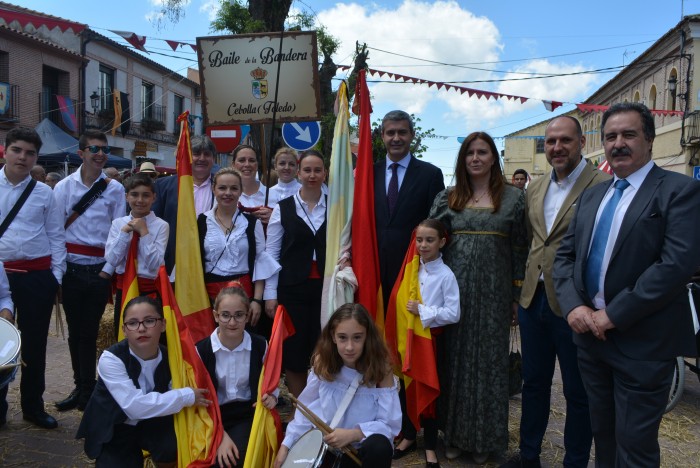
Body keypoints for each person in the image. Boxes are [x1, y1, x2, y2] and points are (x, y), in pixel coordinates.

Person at [553, 102, 700, 467]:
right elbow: (565, 258)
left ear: (649, 140)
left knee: (634, 447)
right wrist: (574, 307)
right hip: (591, 342)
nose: (618, 143)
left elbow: (675, 265)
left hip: (644, 345)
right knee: (603, 438)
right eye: (610, 136)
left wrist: (613, 315)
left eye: (628, 134)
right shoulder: (593, 195)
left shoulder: (679, 191)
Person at [502, 116, 608, 468]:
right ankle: (529, 455)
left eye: (565, 140)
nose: (557, 148)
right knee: (534, 383)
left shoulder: (603, 184)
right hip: (534, 300)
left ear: (581, 142)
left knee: (578, 392)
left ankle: (575, 462)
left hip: (576, 303)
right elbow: (534, 240)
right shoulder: (536, 186)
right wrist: (518, 294)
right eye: (550, 142)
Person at [430, 131, 527, 464]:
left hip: (494, 296)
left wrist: (516, 293)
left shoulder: (514, 199)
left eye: (482, 152)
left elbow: (520, 248)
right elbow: (430, 242)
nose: (475, 158)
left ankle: (486, 440)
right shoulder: (448, 198)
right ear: (462, 159)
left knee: (489, 366)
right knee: (454, 364)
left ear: (492, 158)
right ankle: (454, 436)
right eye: (469, 152)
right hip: (452, 295)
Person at [77, 296, 211, 467]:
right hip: (116, 428)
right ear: (124, 329)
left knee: (172, 444)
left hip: (155, 421)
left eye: (149, 321)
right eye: (132, 323)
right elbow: (134, 407)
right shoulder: (111, 359)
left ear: (163, 324)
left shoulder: (173, 358)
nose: (141, 328)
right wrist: (185, 395)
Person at [274, 303, 401, 468]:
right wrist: (286, 445)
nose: (349, 347)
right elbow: (306, 410)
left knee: (379, 446)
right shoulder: (324, 361)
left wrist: (354, 434)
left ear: (367, 337)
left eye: (357, 337)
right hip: (328, 448)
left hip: (359, 451)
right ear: (333, 336)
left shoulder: (381, 368)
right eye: (342, 337)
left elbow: (390, 425)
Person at [53, 129, 126, 412]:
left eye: (104, 149)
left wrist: (108, 270)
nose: (100, 154)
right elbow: (56, 232)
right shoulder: (63, 188)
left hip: (99, 270)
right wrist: (58, 272)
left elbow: (120, 232)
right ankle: (81, 385)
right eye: (94, 148)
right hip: (71, 268)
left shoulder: (115, 189)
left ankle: (90, 387)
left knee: (91, 330)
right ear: (81, 153)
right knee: (75, 331)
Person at [0, 127, 65, 429]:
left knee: (35, 345)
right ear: (5, 150)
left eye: (30, 153)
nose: (23, 157)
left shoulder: (45, 193)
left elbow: (56, 236)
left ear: (36, 157)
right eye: (17, 150)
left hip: (36, 277)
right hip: (0, 276)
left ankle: (32, 406)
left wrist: (55, 277)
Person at [392, 219, 460, 467]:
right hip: (406, 341)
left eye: (429, 240)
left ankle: (430, 445)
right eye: (419, 240)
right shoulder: (411, 269)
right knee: (405, 387)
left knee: (429, 395)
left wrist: (423, 311)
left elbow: (453, 313)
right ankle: (409, 435)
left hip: (430, 343)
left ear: (442, 242)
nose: (423, 245)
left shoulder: (446, 275)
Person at [264, 150, 327, 397]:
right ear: (299, 173)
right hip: (291, 289)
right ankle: (302, 409)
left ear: (325, 173)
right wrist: (270, 294)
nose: (312, 175)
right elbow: (272, 253)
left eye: (317, 170)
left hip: (325, 288)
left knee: (323, 348)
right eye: (307, 170)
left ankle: (322, 406)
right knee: (294, 351)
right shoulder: (282, 208)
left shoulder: (335, 206)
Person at [196, 287, 278, 467]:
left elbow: (271, 381)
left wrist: (273, 396)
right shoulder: (201, 350)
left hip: (246, 414)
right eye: (225, 315)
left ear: (248, 316)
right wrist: (220, 435)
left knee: (234, 459)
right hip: (211, 416)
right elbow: (197, 395)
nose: (232, 322)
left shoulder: (260, 345)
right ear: (216, 316)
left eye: (239, 315)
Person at [375, 110, 444, 310]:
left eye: (402, 132)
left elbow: (437, 222)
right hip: (375, 267)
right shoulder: (369, 173)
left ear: (412, 135)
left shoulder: (430, 174)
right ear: (382, 136)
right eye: (390, 133)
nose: (396, 138)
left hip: (414, 266)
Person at [197, 167, 279, 331]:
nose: (228, 193)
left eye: (234, 188)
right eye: (222, 188)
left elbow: (259, 262)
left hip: (244, 297)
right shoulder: (201, 221)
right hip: (210, 299)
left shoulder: (252, 223)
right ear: (214, 189)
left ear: (241, 191)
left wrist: (256, 301)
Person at [105, 173, 169, 339]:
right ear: (126, 197)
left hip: (149, 291)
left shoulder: (161, 226)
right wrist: (125, 233)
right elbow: (112, 259)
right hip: (124, 289)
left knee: (150, 335)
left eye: (146, 195)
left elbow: (155, 264)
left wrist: (144, 233)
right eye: (134, 194)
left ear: (153, 197)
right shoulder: (118, 224)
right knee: (125, 334)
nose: (140, 200)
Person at [153, 135, 216, 275]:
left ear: (213, 159)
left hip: (210, 263)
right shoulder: (163, 186)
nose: (202, 158)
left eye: (207, 154)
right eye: (196, 153)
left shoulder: (222, 187)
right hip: (172, 262)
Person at [232, 144, 279, 224]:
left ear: (256, 165)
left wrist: (275, 218)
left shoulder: (275, 195)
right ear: (233, 165)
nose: (247, 164)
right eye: (242, 160)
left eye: (251, 160)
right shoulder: (226, 196)